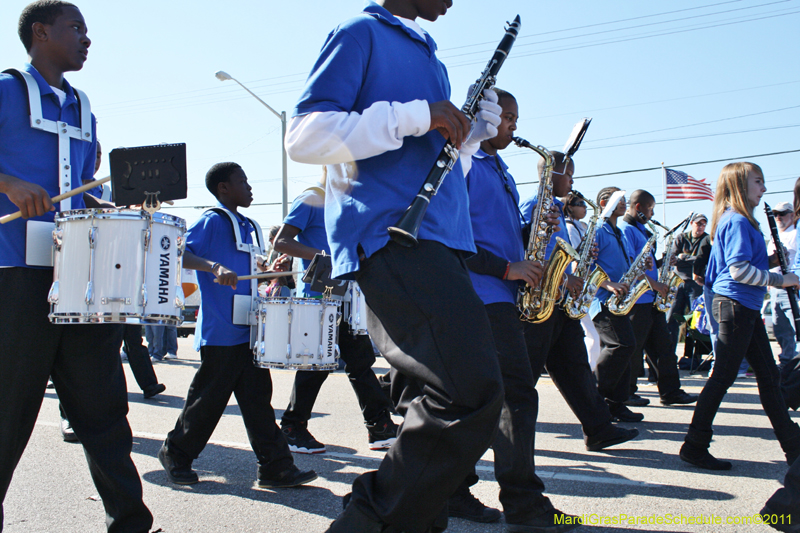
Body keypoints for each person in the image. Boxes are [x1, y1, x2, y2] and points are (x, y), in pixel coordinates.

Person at [285, 1, 509, 530]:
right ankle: (365, 520)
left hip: (440, 239)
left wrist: (468, 136)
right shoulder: (361, 31)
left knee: (442, 394)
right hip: (391, 234)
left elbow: (424, 152)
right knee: (470, 392)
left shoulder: (429, 53)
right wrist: (417, 115)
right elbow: (305, 136)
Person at [0, 2, 153, 530]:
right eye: (76, 29)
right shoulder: (4, 89)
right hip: (13, 274)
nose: (87, 39)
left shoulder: (84, 107)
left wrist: (112, 210)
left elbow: (84, 187)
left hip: (81, 277)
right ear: (41, 33)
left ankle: (131, 522)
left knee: (104, 410)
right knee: (6, 414)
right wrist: (10, 184)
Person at [459, 88, 582, 529]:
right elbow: (449, 234)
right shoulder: (465, 164)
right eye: (507, 116)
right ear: (486, 117)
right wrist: (506, 268)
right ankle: (524, 505)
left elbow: (511, 231)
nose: (514, 125)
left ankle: (451, 490)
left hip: (501, 296)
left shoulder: (498, 168)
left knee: (481, 401)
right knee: (516, 398)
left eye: (515, 117)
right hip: (481, 294)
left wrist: (545, 213)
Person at [157, 162, 317, 489]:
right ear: (224, 189)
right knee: (208, 400)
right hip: (221, 331)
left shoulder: (248, 225)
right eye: (242, 181)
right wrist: (212, 266)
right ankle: (176, 452)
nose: (249, 186)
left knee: (258, 400)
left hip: (248, 329)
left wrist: (269, 270)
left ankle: (276, 466)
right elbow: (178, 252)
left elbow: (249, 273)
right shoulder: (212, 220)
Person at [680, 162, 800, 470]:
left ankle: (794, 448)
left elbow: (748, 264)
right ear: (738, 186)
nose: (764, 188)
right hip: (734, 305)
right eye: (758, 181)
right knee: (723, 376)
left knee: (769, 377)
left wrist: (773, 259)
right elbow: (738, 271)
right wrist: (780, 280)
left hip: (742, 306)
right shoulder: (737, 221)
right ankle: (694, 445)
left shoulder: (744, 221)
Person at [520, 154, 639, 451]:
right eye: (569, 173)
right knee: (521, 377)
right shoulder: (536, 204)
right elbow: (528, 248)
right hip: (539, 301)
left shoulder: (560, 210)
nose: (572, 180)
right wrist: (563, 279)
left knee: (574, 367)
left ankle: (599, 428)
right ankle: (494, 433)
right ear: (553, 173)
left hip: (557, 302)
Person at [272, 177, 397, 454]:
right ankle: (292, 427)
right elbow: (281, 241)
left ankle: (379, 427)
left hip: (349, 294)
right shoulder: (311, 198)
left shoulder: (349, 202)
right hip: (320, 294)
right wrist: (326, 255)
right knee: (317, 366)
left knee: (361, 362)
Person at [618, 190, 697, 408]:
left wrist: (663, 262)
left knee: (664, 347)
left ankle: (671, 392)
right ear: (638, 207)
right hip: (638, 299)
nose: (652, 213)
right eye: (650, 208)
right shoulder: (626, 230)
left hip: (651, 298)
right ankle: (627, 392)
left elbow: (648, 265)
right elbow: (631, 267)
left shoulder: (642, 230)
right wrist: (656, 285)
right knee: (633, 349)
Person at [588, 187, 644, 423]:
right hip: (602, 301)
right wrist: (608, 284)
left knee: (627, 347)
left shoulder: (619, 232)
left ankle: (616, 404)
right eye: (619, 200)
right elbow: (585, 266)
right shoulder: (598, 230)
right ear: (604, 203)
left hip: (619, 300)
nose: (624, 204)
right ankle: (595, 394)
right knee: (620, 345)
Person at [562, 193, 602, 368]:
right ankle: (590, 370)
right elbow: (574, 257)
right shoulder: (570, 228)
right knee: (591, 332)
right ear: (569, 207)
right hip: (577, 283)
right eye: (580, 204)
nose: (584, 208)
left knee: (589, 332)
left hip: (582, 281)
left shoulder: (581, 226)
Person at [666, 213, 710, 348]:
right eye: (698, 223)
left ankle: (692, 358)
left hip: (696, 283)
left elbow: (702, 260)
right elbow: (672, 258)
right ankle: (669, 354)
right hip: (678, 282)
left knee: (696, 320)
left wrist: (684, 257)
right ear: (692, 224)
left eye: (703, 224)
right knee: (671, 318)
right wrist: (691, 259)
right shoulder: (681, 237)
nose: (701, 227)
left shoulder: (707, 239)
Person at [766, 201, 798, 370]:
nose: (778, 217)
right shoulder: (774, 235)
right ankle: (787, 363)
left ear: (792, 215)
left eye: (783, 213)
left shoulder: (795, 234)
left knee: (796, 327)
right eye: (776, 213)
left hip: (792, 288)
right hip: (776, 287)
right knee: (781, 328)